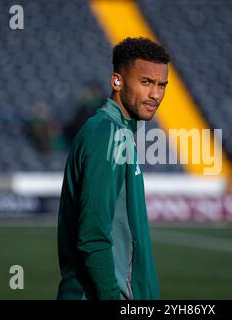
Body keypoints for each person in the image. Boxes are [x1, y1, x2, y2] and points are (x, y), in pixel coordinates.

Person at [57, 37, 170, 300]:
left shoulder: (118, 132)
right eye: (146, 82)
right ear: (117, 81)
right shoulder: (109, 134)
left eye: (161, 85)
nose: (155, 94)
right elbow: (93, 235)